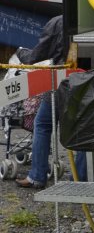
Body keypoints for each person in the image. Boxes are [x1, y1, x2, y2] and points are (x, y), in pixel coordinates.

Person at [17, 16, 87, 189]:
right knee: (83, 130)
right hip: (87, 81)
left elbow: (36, 56)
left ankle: (37, 176)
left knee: (42, 124)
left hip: (60, 81)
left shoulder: (59, 21)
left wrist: (20, 52)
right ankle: (81, 181)